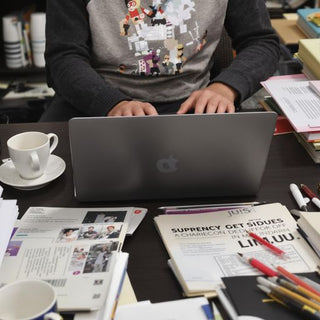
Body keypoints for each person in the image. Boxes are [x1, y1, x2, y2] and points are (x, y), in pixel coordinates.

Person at [41, 0, 280, 121]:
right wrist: (111, 103)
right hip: (96, 105)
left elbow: (262, 42)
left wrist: (226, 87)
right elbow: (63, 57)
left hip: (193, 106)